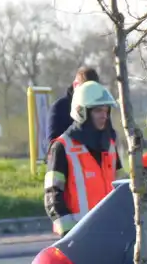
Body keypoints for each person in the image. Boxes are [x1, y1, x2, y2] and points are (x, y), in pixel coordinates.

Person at [43, 80, 124, 237]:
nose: (104, 115)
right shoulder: (62, 147)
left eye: (106, 110)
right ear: (82, 112)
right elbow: (52, 196)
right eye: (98, 111)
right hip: (79, 237)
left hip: (111, 232)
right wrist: (69, 234)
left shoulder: (109, 145)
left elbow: (122, 188)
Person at [48, 66, 101, 142]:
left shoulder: (99, 109)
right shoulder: (59, 108)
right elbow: (52, 146)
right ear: (75, 85)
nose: (88, 96)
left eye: (92, 91)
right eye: (85, 90)